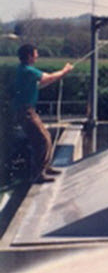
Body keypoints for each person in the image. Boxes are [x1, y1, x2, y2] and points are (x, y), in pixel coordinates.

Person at [12, 44, 73, 183]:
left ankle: (44, 168)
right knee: (42, 140)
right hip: (26, 111)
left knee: (45, 137)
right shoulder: (28, 70)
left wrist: (58, 76)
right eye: (35, 53)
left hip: (28, 111)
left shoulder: (24, 70)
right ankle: (38, 174)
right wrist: (65, 70)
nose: (37, 56)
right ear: (29, 56)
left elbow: (42, 83)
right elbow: (48, 77)